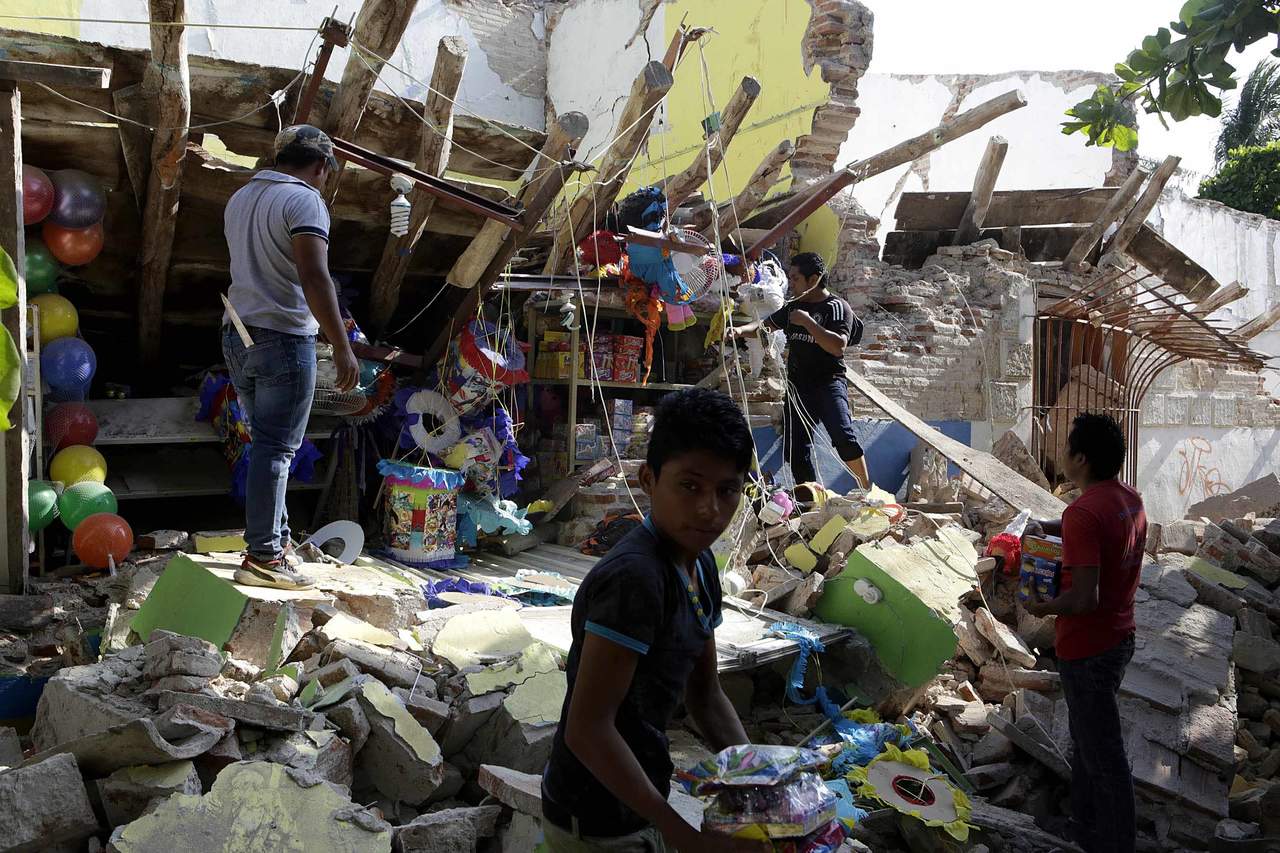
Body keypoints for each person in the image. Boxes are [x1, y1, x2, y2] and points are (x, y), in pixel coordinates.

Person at [541, 388, 768, 853]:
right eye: (690, 486)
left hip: (639, 798)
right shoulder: (635, 579)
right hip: (595, 818)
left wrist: (761, 782)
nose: (710, 509)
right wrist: (682, 834)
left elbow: (705, 695)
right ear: (648, 479)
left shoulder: (700, 563)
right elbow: (588, 729)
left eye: (727, 490)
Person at [222, 124, 358, 590]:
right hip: (282, 335)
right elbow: (314, 276)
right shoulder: (304, 200)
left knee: (266, 444)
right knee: (276, 449)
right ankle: (264, 556)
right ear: (320, 166)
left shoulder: (240, 198)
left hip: (237, 332)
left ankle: (275, 542)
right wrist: (341, 346)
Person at [1022, 412, 1146, 853]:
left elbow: (1084, 599)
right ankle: (1084, 827)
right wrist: (1048, 527)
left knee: (1104, 755)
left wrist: (1042, 607)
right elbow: (1096, 531)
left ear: (1082, 459)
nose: (1061, 452)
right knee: (1088, 742)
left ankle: (1115, 842)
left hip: (1088, 648)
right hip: (1119, 637)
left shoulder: (1084, 513)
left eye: (1067, 446)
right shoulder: (1128, 499)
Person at [730, 252, 868, 490]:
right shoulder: (794, 307)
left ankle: (866, 490)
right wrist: (740, 331)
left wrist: (807, 322)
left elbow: (837, 346)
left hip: (828, 383)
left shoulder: (836, 307)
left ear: (813, 280)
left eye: (795, 278)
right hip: (797, 387)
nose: (790, 283)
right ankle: (809, 496)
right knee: (795, 449)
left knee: (844, 437)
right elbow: (764, 327)